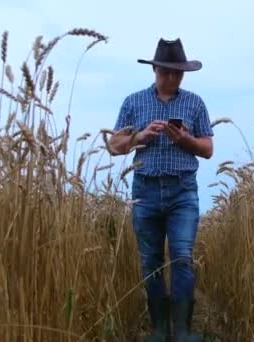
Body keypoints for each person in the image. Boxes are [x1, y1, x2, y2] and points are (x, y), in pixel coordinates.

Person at [108, 38, 213, 342]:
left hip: (183, 191)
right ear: (154, 69)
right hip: (145, 190)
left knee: (182, 256)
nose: (171, 78)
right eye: (165, 72)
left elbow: (207, 148)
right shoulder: (133, 102)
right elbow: (114, 145)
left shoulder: (195, 103)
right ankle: (158, 330)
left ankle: (182, 331)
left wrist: (185, 140)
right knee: (150, 260)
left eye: (177, 73)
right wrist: (141, 136)